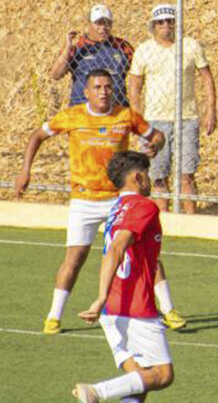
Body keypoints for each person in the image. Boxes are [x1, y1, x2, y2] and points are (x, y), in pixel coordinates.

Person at [13, 70, 184, 335]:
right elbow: (37, 135)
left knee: (145, 253)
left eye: (107, 86)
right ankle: (54, 316)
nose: (103, 91)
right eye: (97, 86)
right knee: (75, 258)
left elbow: (157, 137)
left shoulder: (125, 115)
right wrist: (25, 171)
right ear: (87, 91)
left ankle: (169, 309)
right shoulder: (72, 116)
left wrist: (154, 147)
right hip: (84, 199)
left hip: (119, 199)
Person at [69, 151, 173, 403]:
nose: (151, 179)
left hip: (115, 309)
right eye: (148, 173)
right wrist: (100, 297)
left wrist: (104, 300)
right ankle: (95, 392)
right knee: (163, 375)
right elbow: (117, 247)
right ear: (137, 177)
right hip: (132, 306)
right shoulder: (143, 206)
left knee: (140, 377)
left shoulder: (118, 207)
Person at [127, 3, 217, 214]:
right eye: (160, 22)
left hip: (186, 118)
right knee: (158, 176)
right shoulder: (144, 50)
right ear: (153, 25)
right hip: (154, 121)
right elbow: (134, 86)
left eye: (170, 21)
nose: (166, 25)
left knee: (187, 174)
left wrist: (211, 110)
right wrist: (138, 119)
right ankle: (162, 220)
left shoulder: (191, 46)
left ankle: (190, 220)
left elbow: (206, 78)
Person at [51, 3, 132, 108]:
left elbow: (139, 71)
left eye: (106, 23)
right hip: (82, 109)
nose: (103, 28)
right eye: (98, 23)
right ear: (89, 24)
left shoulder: (122, 46)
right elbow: (55, 75)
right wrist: (67, 47)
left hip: (116, 109)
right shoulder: (79, 47)